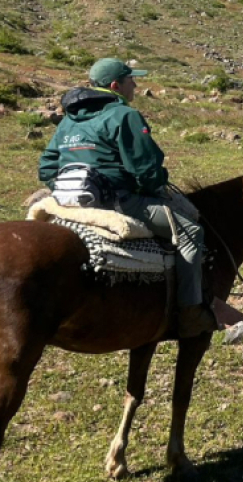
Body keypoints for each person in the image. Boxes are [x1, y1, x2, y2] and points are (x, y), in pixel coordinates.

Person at [38, 58, 217, 338]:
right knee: (191, 232)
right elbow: (146, 169)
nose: (135, 84)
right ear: (115, 85)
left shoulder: (69, 119)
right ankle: (191, 312)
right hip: (118, 200)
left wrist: (63, 187)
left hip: (68, 201)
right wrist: (154, 185)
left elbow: (47, 167)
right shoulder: (124, 116)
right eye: (130, 79)